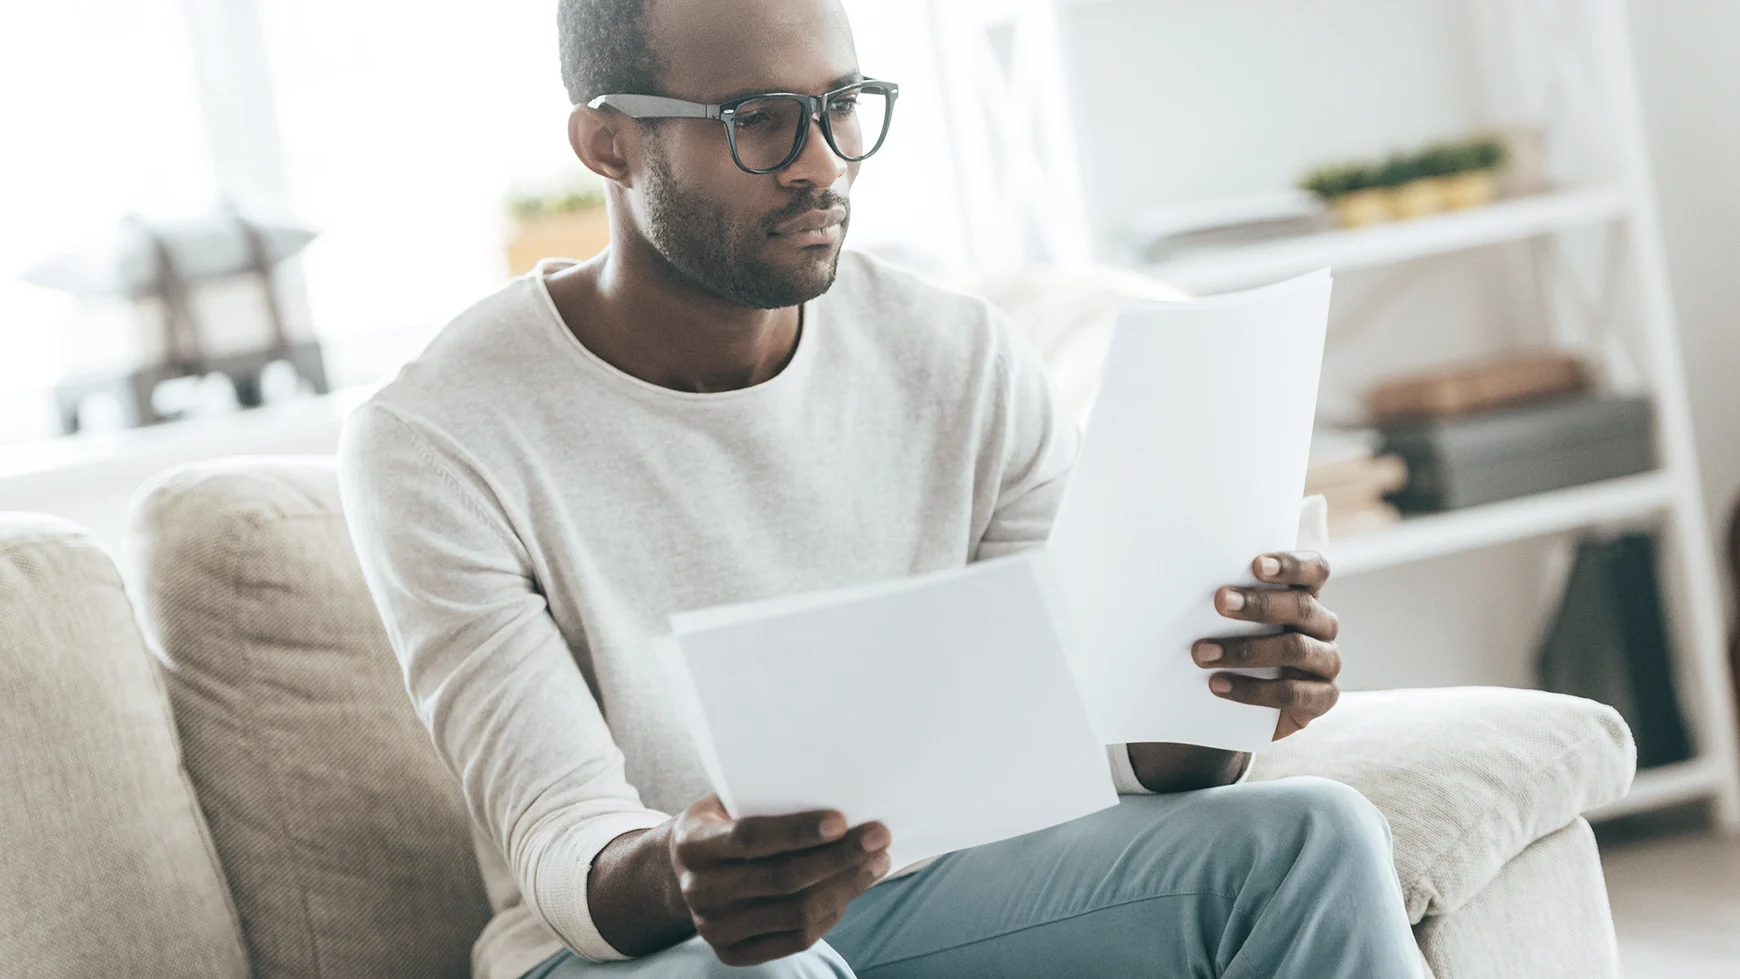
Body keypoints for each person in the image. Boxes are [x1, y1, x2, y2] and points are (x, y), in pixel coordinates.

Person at [337, 0, 1423, 976]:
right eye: (759, 119)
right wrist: (687, 869)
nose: (824, 164)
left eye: (843, 106)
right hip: (655, 955)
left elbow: (1080, 730)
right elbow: (562, 838)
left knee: (1314, 838)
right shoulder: (434, 439)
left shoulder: (959, 356)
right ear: (609, 144)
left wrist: (1217, 693)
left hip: (941, 890)